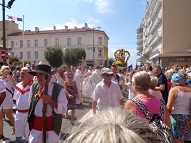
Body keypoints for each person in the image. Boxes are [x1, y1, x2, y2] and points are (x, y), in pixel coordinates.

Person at [63, 107, 160, 143]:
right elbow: (94, 100)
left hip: (116, 117)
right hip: (104, 117)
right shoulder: (99, 86)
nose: (109, 77)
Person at [27, 64, 68, 143]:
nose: (39, 78)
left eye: (41, 74)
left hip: (51, 128)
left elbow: (64, 109)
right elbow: (30, 105)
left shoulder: (57, 88)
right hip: (36, 126)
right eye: (37, 75)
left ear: (48, 76)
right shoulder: (34, 86)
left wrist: (51, 102)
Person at [166, 73, 191, 143]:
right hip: (188, 118)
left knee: (177, 140)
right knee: (188, 138)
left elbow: (168, 107)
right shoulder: (189, 89)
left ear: (173, 82)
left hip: (176, 117)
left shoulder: (174, 90)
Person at [13, 67, 34, 143]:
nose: (21, 74)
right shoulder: (18, 85)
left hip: (29, 115)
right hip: (19, 114)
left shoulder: (34, 86)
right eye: (21, 73)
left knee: (29, 137)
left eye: (23, 73)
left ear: (29, 75)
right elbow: (15, 99)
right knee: (18, 136)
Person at [0, 65, 16, 137]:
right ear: (2, 71)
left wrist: (9, 76)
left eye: (7, 70)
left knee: (9, 115)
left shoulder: (9, 79)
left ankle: (16, 127)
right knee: (0, 117)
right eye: (4, 70)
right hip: (1, 100)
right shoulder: (0, 79)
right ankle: (1, 133)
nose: (6, 72)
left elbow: (13, 84)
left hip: (8, 100)